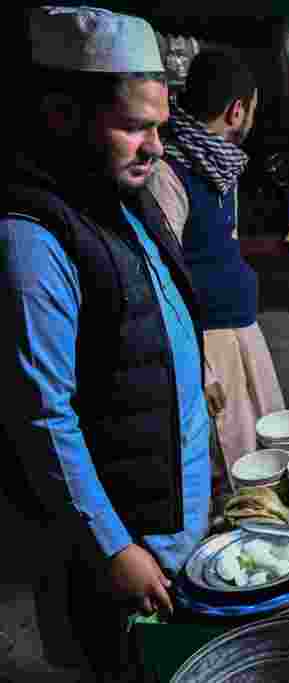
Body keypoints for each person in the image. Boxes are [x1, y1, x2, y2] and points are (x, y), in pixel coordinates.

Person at [1, 7, 209, 680]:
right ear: (63, 114)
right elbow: (42, 415)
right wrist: (114, 547)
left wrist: (191, 374)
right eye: (133, 126)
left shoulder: (125, 199)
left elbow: (145, 315)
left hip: (175, 516)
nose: (154, 146)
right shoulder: (33, 234)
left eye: (159, 127)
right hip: (126, 545)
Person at [146, 50, 286, 491]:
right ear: (237, 110)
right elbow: (159, 276)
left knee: (272, 443)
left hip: (242, 328)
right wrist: (199, 369)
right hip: (209, 339)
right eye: (252, 110)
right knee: (232, 457)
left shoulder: (222, 167)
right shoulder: (169, 171)